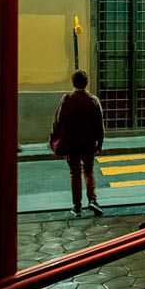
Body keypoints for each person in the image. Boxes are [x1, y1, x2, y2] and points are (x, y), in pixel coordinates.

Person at [49, 69, 105, 217]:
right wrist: (99, 144)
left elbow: (57, 121)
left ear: (73, 82)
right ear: (86, 83)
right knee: (88, 171)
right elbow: (99, 125)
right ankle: (92, 200)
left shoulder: (67, 99)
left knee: (75, 173)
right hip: (88, 143)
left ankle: (77, 206)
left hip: (71, 143)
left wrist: (52, 138)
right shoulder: (93, 100)